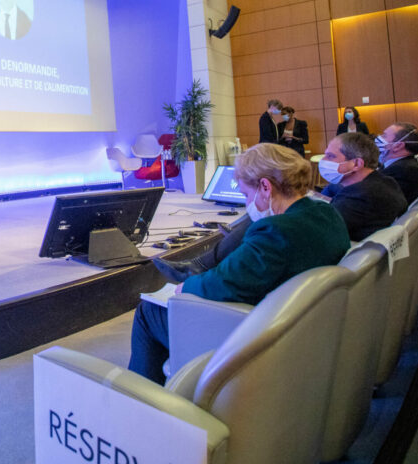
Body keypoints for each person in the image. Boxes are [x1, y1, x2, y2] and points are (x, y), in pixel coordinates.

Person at [128, 143, 350, 385]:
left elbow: (224, 283)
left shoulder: (275, 231)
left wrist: (186, 287)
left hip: (259, 334)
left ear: (265, 186)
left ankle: (141, 401)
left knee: (149, 312)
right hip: (304, 323)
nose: (247, 203)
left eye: (246, 194)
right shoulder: (327, 213)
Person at [319, 132, 407, 241]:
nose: (323, 160)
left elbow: (317, 233)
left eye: (331, 156)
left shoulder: (358, 198)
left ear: (356, 164)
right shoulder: (386, 181)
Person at [377, 122, 418, 205]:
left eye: (384, 136)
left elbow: (378, 202)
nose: (378, 138)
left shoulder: (403, 170)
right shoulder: (401, 165)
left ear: (398, 146)